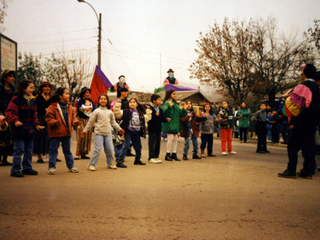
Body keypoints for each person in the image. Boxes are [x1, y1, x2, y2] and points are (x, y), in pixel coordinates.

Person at [279, 64, 320, 179]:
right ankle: (307, 171)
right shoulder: (316, 87)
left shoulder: (303, 86)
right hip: (313, 122)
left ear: (305, 74)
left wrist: (286, 98)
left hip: (302, 121)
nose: (301, 75)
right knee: (308, 146)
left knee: (292, 146)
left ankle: (291, 169)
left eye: (302, 73)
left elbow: (294, 104)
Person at [5, 79, 44, 177]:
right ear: (23, 88)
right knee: (19, 149)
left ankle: (27, 168)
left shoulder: (32, 100)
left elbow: (34, 114)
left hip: (29, 129)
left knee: (29, 149)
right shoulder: (16, 100)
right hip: (19, 130)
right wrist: (15, 120)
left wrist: (36, 124)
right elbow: (10, 112)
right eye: (30, 87)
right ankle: (15, 169)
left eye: (33, 87)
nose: (33, 89)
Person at [81, 94, 125, 171]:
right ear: (99, 101)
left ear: (107, 101)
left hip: (108, 134)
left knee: (110, 150)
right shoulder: (96, 111)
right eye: (101, 99)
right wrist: (85, 131)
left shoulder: (109, 112)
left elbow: (113, 123)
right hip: (99, 134)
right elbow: (90, 122)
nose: (103, 100)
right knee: (97, 150)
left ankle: (110, 163)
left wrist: (120, 129)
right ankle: (92, 164)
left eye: (105, 99)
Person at [45, 87, 80, 175]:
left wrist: (75, 122)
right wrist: (54, 122)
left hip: (66, 132)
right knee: (53, 150)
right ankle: (52, 167)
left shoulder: (70, 107)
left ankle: (71, 166)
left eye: (68, 93)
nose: (68, 95)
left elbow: (73, 117)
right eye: (66, 93)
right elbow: (48, 118)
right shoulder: (53, 106)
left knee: (67, 150)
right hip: (55, 132)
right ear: (60, 96)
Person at [113, 98, 152, 168]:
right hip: (128, 131)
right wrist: (118, 104)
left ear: (137, 104)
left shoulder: (140, 113)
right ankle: (119, 161)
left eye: (134, 102)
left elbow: (147, 118)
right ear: (128, 104)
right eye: (130, 102)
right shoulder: (125, 111)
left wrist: (148, 111)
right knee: (126, 145)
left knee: (138, 147)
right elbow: (117, 113)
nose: (132, 103)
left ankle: (137, 159)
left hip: (136, 132)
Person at [162, 90, 187, 161]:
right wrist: (169, 107)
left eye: (175, 94)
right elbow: (164, 111)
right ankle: (167, 154)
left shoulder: (176, 104)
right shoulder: (167, 102)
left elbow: (180, 114)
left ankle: (174, 153)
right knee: (170, 139)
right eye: (173, 94)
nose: (175, 95)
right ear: (169, 95)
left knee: (175, 139)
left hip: (176, 123)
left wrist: (184, 110)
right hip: (170, 123)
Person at [110, 87, 135, 158]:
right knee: (118, 139)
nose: (126, 93)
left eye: (127, 92)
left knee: (127, 138)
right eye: (125, 91)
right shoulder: (116, 101)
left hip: (127, 122)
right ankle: (118, 155)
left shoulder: (128, 102)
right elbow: (112, 110)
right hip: (118, 122)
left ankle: (128, 151)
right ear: (121, 92)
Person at [34, 81, 54, 163]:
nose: (47, 88)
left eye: (48, 87)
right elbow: (36, 108)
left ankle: (51, 155)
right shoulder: (38, 97)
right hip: (41, 117)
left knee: (50, 136)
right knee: (40, 136)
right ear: (42, 88)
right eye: (45, 86)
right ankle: (39, 156)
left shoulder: (52, 97)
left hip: (50, 118)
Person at [74, 87, 96, 160]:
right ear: (83, 93)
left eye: (89, 92)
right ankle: (78, 153)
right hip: (81, 120)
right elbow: (74, 111)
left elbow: (95, 111)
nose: (88, 94)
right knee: (81, 136)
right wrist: (74, 119)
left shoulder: (91, 102)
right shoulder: (78, 101)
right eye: (86, 92)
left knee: (87, 137)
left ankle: (84, 153)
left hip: (89, 120)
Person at [147, 94, 170, 164]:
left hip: (158, 129)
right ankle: (151, 157)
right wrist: (154, 115)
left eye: (160, 100)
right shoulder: (150, 109)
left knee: (157, 143)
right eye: (158, 100)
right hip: (152, 129)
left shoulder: (160, 109)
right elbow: (148, 118)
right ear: (154, 101)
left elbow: (162, 118)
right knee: (152, 143)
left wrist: (166, 119)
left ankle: (156, 156)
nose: (160, 101)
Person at [0, 70, 15, 166]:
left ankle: (5, 158)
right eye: (10, 76)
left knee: (9, 136)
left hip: (11, 114)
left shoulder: (14, 90)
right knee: (1, 135)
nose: (12, 78)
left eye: (13, 76)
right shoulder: (0, 89)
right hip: (1, 114)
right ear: (5, 78)